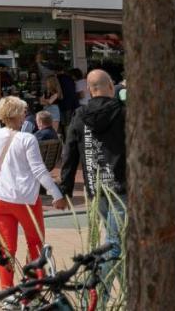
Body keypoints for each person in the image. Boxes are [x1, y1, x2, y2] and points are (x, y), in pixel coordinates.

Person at [0, 96, 68, 292]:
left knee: (6, 247)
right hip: (26, 200)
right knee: (35, 243)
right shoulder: (27, 139)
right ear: (19, 115)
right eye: (23, 112)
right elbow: (38, 170)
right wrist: (56, 194)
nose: (25, 116)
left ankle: (7, 290)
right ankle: (35, 286)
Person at [60, 69, 127, 293]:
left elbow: (69, 154)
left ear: (89, 90)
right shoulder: (123, 113)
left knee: (113, 240)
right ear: (110, 86)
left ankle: (127, 292)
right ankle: (99, 294)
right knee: (115, 244)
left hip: (95, 187)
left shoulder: (79, 116)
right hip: (120, 187)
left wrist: (66, 190)